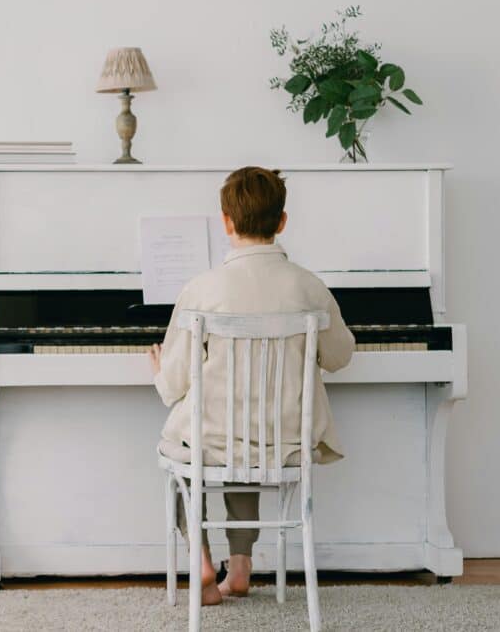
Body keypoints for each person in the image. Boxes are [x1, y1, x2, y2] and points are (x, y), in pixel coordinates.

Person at [148, 166, 355, 605]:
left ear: (226, 222)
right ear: (282, 222)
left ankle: (201, 558)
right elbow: (339, 357)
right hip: (283, 442)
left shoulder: (201, 289)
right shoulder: (309, 287)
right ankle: (240, 568)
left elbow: (174, 382)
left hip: (217, 441)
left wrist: (159, 367)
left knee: (187, 443)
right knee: (248, 440)